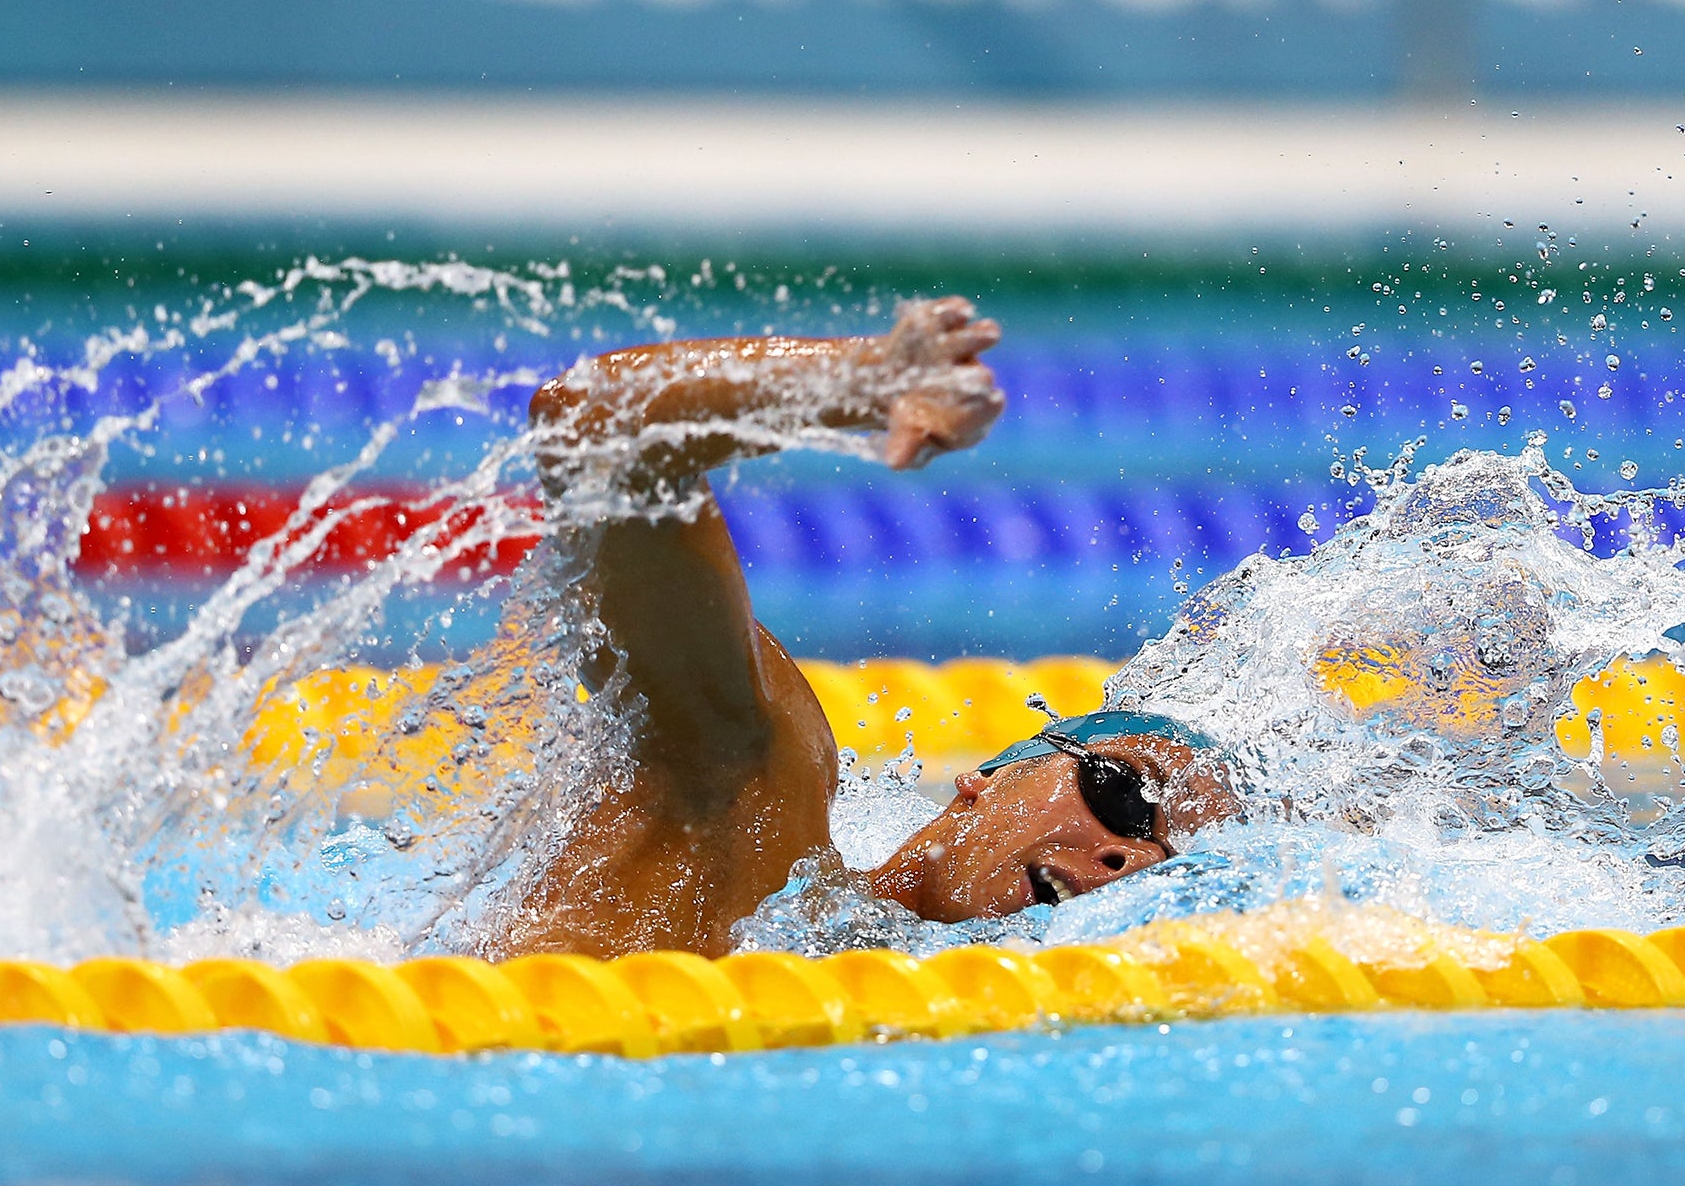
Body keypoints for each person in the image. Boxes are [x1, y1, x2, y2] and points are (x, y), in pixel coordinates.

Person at [504, 297, 1239, 958]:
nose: (1133, 862)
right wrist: (863, 380)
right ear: (989, 779)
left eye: (1173, 870)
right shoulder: (747, 806)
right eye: (1126, 798)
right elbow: (593, 426)